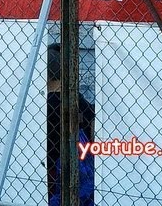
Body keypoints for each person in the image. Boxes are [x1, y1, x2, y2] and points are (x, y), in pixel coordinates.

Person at [46, 44, 94, 206]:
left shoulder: (44, 103)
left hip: (53, 165)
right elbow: (91, 116)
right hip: (79, 162)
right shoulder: (75, 99)